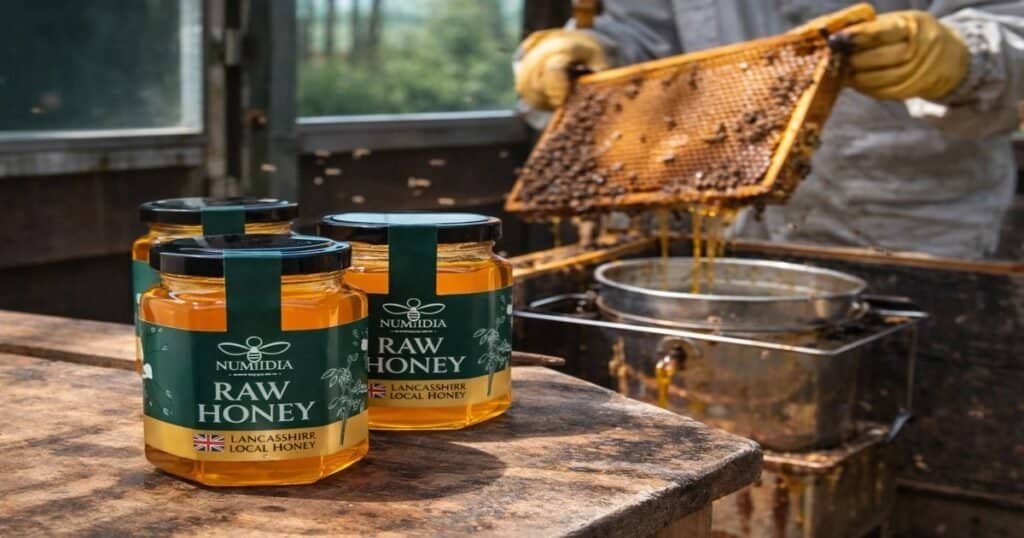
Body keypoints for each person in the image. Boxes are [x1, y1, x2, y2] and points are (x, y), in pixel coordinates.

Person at [514, 1, 1024, 259]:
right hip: (719, 229)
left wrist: (965, 59)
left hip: (914, 233)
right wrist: (590, 56)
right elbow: (644, 37)